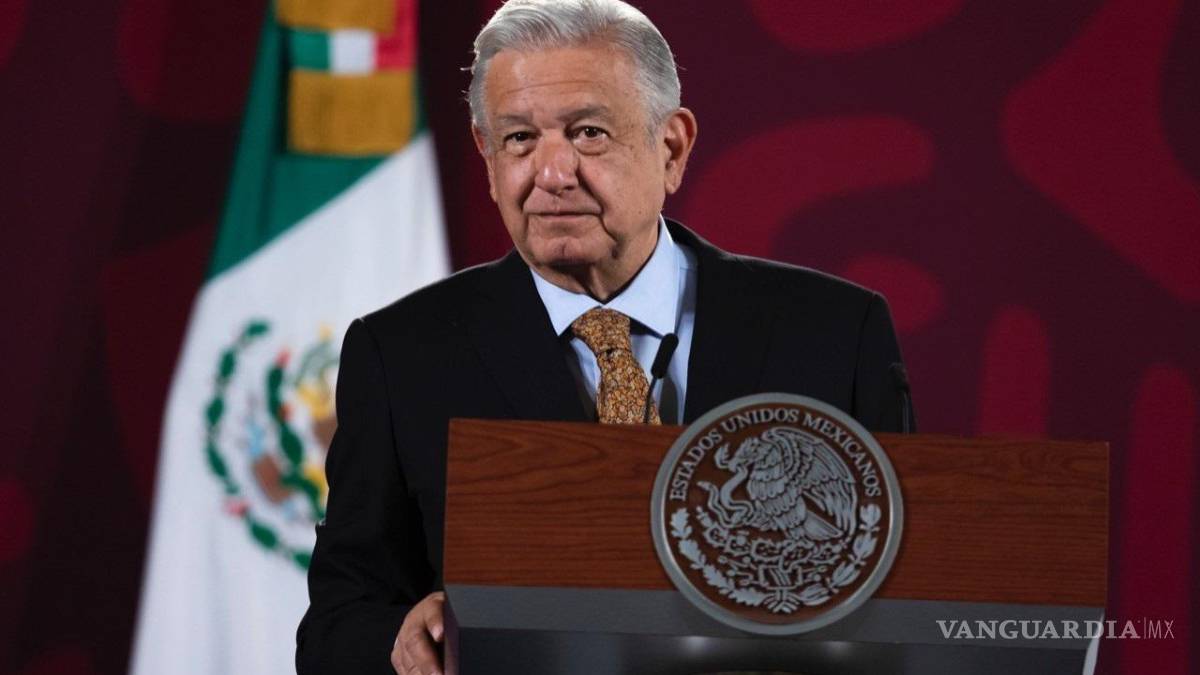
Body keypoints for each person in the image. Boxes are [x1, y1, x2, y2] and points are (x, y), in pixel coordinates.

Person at [296, 1, 914, 674]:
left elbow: (917, 595)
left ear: (671, 148)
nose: (551, 174)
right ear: (487, 156)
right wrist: (401, 637)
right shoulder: (402, 355)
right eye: (519, 139)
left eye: (588, 133)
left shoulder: (835, 334)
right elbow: (335, 626)